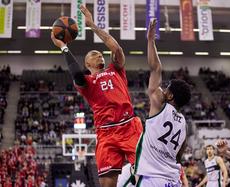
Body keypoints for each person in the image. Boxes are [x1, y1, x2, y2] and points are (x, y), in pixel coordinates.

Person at [51, 5, 143, 187]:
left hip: (129, 126)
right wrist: (63, 47)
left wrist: (92, 25)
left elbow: (116, 49)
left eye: (101, 54)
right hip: (106, 132)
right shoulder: (86, 82)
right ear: (87, 63)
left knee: (145, 177)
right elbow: (75, 74)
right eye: (94, 54)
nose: (99, 55)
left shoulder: (116, 70)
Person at [133, 19, 191, 186]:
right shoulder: (183, 123)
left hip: (152, 178)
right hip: (173, 179)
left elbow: (156, 68)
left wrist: (151, 40)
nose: (163, 90)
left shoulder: (160, 104)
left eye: (167, 88)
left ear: (170, 96)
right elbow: (180, 152)